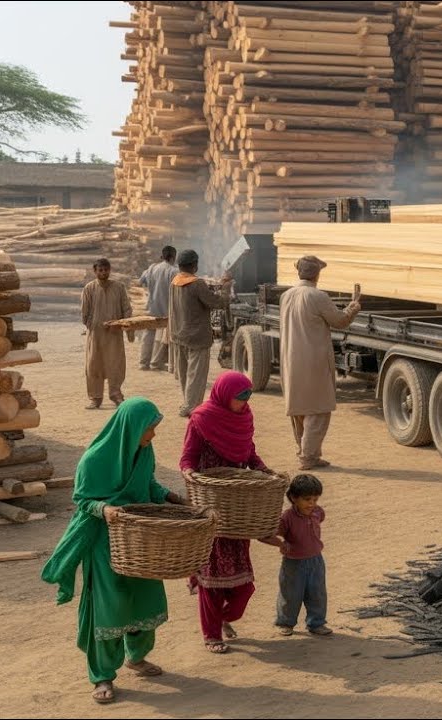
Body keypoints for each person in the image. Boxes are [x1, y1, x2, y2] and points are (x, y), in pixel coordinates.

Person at [41, 398, 191, 704]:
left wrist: (171, 496)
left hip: (139, 540)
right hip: (104, 541)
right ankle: (103, 675)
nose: (153, 435)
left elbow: (147, 484)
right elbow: (82, 500)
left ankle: (136, 657)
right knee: (111, 606)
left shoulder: (144, 450)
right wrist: (104, 508)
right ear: (132, 428)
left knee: (146, 597)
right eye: (150, 428)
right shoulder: (94, 460)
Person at [181, 371, 273, 654]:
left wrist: (264, 471)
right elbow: (188, 457)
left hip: (236, 508)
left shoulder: (244, 418)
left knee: (242, 585)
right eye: (240, 396)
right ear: (224, 394)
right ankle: (211, 634)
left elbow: (248, 453)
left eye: (248, 396)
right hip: (211, 503)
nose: (245, 402)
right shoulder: (201, 419)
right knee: (211, 577)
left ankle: (221, 618)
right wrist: (190, 474)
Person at [278, 256, 361, 470]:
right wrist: (353, 307)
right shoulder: (317, 296)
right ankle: (308, 457)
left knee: (299, 409)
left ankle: (305, 452)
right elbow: (340, 321)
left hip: (291, 359)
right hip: (312, 361)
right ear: (317, 274)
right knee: (318, 410)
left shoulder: (286, 296)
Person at [261, 474, 330, 636]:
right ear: (293, 498)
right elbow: (265, 534)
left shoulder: (318, 512)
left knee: (317, 594)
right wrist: (281, 544)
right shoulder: (286, 518)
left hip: (316, 561)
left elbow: (318, 520)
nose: (312, 504)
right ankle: (286, 623)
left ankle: (316, 623)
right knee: (291, 595)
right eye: (307, 499)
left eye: (315, 499)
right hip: (293, 564)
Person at [167, 249, 233, 417]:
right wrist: (226, 286)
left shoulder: (175, 281)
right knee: (196, 375)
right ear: (194, 265)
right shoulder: (197, 284)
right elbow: (218, 302)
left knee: (184, 374)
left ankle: (187, 403)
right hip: (197, 336)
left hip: (179, 334)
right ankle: (192, 407)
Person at [81, 257, 133, 409]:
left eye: (106, 270)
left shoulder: (119, 287)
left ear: (109, 270)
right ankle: (95, 398)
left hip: (114, 335)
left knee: (115, 364)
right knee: (93, 365)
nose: (103, 273)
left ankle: (116, 394)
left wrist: (125, 325)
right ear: (95, 271)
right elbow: (84, 313)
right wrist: (93, 325)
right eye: (100, 270)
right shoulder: (89, 289)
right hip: (96, 335)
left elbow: (126, 308)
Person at [138, 245, 177, 372]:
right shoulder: (173, 271)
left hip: (151, 307)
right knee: (165, 336)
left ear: (162, 256)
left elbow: (141, 281)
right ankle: (156, 363)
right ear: (173, 257)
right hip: (167, 309)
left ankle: (143, 363)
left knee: (148, 334)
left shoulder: (152, 268)